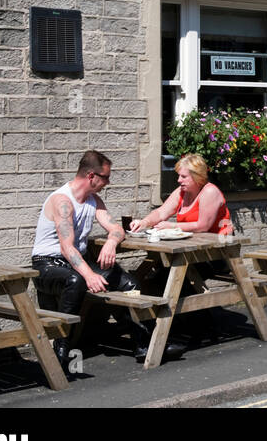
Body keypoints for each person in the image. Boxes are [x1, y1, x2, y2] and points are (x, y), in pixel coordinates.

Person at [31, 151, 178, 370]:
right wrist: (89, 275)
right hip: (47, 265)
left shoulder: (93, 200)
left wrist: (111, 242)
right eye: (105, 177)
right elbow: (66, 247)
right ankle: (59, 352)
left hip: (74, 263)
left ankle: (145, 341)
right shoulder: (62, 201)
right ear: (91, 176)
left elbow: (117, 229)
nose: (108, 183)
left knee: (129, 283)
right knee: (76, 281)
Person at [131, 153, 233, 236]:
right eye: (179, 176)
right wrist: (144, 222)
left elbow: (203, 226)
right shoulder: (182, 191)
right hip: (195, 244)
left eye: (184, 176)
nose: (179, 180)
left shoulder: (209, 192)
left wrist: (171, 226)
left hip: (220, 247)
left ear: (197, 177)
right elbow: (161, 212)